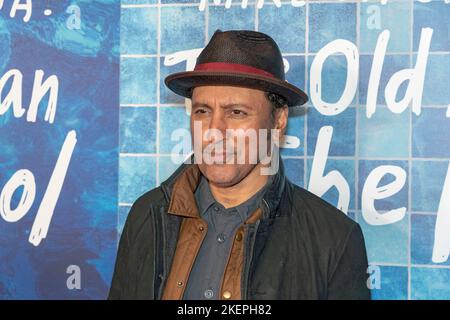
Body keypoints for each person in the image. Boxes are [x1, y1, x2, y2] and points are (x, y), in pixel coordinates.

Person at [109, 29, 371, 300]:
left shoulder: (334, 240)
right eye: (202, 111)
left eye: (236, 112)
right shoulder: (147, 215)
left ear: (278, 122)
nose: (213, 131)